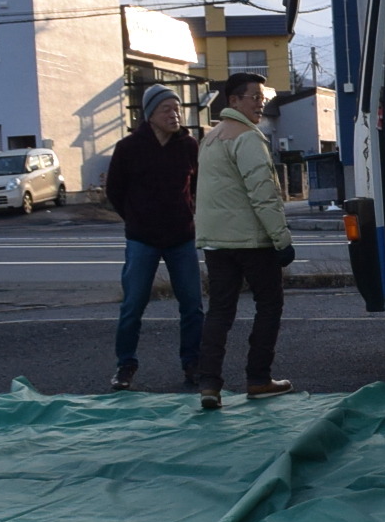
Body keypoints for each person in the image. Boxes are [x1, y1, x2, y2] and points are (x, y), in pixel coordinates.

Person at [192, 72, 295, 409]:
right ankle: (258, 378)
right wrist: (281, 240)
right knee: (269, 304)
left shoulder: (210, 138)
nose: (260, 103)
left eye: (263, 98)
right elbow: (263, 193)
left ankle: (209, 384)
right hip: (252, 241)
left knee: (220, 311)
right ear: (233, 100)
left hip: (216, 241)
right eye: (254, 97)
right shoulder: (248, 138)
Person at [104, 84, 203, 392]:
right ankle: (126, 365)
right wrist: (135, 218)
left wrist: (188, 212)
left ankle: (193, 363)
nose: (174, 115)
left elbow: (197, 186)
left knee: (192, 304)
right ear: (150, 115)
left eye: (177, 109)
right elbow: (114, 190)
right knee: (133, 304)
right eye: (166, 109)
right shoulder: (129, 147)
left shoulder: (188, 145)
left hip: (181, 236)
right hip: (142, 238)